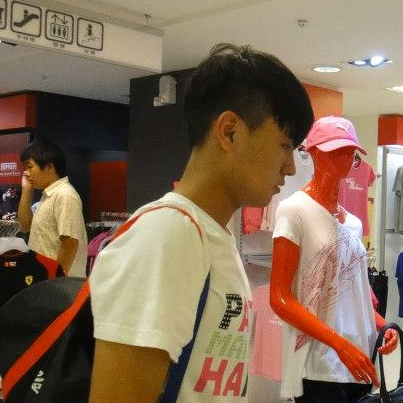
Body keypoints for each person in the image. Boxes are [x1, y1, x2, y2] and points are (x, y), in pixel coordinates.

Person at [88, 43, 314, 403]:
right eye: (284, 146)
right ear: (230, 132)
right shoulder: (165, 235)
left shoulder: (212, 235)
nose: (289, 168)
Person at [270, 116, 399, 403]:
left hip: (359, 359)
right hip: (320, 362)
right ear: (314, 152)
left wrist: (384, 325)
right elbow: (279, 297)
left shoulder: (353, 223)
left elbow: (353, 297)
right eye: (335, 150)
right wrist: (340, 344)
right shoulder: (294, 210)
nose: (344, 158)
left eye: (350, 151)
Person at [17, 138, 87, 277]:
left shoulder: (65, 194)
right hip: (46, 279)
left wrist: (55, 277)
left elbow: (70, 243)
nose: (26, 173)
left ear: (50, 167)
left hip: (61, 284)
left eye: (30, 166)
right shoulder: (49, 195)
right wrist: (26, 191)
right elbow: (24, 226)